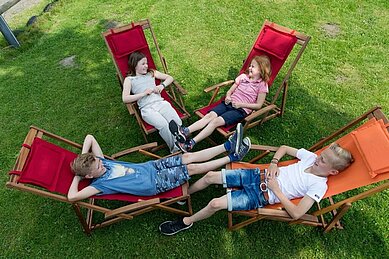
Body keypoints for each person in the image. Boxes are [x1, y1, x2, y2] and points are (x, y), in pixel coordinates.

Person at [159, 142, 354, 235]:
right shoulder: (311, 157)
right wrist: (274, 163)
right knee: (210, 176)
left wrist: (276, 189)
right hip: (256, 174)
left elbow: (296, 213)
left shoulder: (318, 185)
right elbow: (285, 148)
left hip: (260, 194)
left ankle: (186, 221)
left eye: (324, 161)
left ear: (333, 172)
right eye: (322, 155)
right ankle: (183, 196)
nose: (318, 158)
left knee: (215, 203)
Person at [67, 124, 251, 202]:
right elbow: (72, 197)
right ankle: (233, 157)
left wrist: (84, 159)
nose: (102, 162)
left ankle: (228, 145)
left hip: (151, 167)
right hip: (153, 183)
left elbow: (90, 138)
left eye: (98, 161)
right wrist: (78, 177)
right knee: (192, 168)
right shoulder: (99, 185)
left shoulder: (101, 164)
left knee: (187, 157)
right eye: (98, 166)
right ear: (90, 176)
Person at [169, 55, 272, 152]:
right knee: (210, 115)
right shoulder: (243, 77)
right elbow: (230, 91)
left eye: (253, 67)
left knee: (215, 121)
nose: (249, 68)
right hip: (228, 103)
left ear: (261, 70)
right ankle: (185, 131)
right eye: (250, 65)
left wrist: (241, 105)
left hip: (240, 110)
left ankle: (190, 143)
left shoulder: (262, 85)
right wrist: (228, 96)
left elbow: (259, 105)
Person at [122, 51, 182, 153]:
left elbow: (169, 77)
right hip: (147, 109)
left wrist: (161, 86)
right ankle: (176, 149)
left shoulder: (151, 73)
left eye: (146, 63)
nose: (146, 66)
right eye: (143, 64)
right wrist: (143, 94)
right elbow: (125, 98)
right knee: (163, 125)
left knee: (175, 120)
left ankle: (181, 141)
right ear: (135, 65)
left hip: (160, 103)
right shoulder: (130, 79)